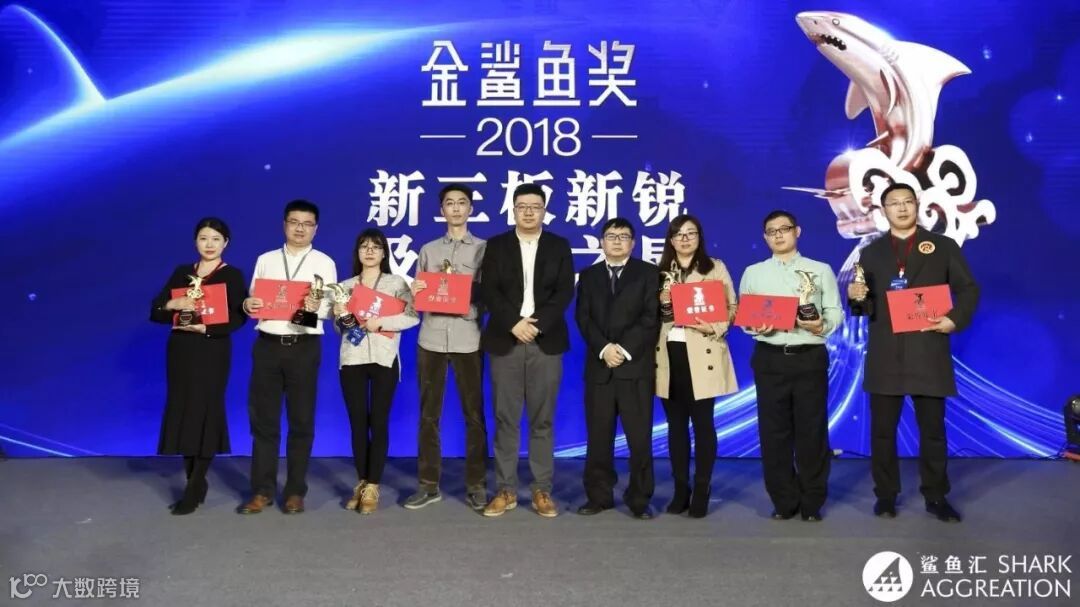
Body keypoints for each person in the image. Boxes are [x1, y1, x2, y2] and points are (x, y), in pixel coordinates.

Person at [848, 183, 979, 523]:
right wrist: (856, 297)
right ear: (884, 210)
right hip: (885, 354)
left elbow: (968, 290)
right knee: (882, 432)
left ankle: (936, 496)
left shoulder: (942, 246)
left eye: (908, 201)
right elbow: (864, 309)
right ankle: (885, 495)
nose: (902, 208)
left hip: (928, 349)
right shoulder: (871, 253)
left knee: (932, 431)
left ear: (917, 205)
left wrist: (954, 320)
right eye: (894, 203)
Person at [739, 210, 843, 522]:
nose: (778, 235)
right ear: (765, 238)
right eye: (771, 231)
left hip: (809, 357)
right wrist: (756, 327)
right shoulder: (754, 272)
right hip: (769, 358)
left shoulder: (820, 270)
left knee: (812, 432)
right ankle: (783, 500)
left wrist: (819, 325)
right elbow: (746, 317)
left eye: (784, 229)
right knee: (774, 433)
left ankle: (812, 501)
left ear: (797, 231)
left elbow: (835, 312)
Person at [479, 183, 574, 518]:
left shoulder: (559, 246)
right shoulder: (496, 245)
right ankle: (505, 489)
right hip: (506, 340)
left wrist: (536, 324)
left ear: (544, 210)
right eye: (522, 206)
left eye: (535, 206)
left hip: (545, 341)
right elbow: (489, 290)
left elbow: (564, 292)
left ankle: (541, 490)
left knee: (542, 419)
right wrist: (513, 323)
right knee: (505, 418)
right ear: (514, 210)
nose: (529, 212)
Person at [238, 199, 337, 515]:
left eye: (307, 224)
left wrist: (313, 309)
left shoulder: (324, 263)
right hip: (267, 346)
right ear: (284, 225)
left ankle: (295, 491)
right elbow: (254, 299)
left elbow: (331, 307)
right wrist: (248, 305)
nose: (300, 229)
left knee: (301, 421)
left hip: (304, 347)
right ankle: (262, 490)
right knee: (263, 421)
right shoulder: (266, 259)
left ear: (315, 229)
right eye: (294, 222)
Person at [150, 217, 247, 515]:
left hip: (212, 349)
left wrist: (207, 328)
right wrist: (173, 305)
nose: (209, 244)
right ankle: (194, 479)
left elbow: (239, 317)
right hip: (181, 349)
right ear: (195, 241)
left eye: (216, 239)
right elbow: (156, 310)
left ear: (225, 243)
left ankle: (194, 486)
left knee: (206, 411)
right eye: (204, 238)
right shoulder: (182, 272)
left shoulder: (231, 275)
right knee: (183, 410)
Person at [404, 184, 489, 513]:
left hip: (469, 337)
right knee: (428, 416)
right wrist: (417, 290)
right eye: (449, 203)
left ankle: (476, 484)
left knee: (474, 415)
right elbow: (418, 297)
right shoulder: (428, 250)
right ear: (441, 210)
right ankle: (428, 485)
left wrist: (467, 297)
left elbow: (489, 295)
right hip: (432, 338)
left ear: (470, 209)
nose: (455, 208)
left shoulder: (483, 249)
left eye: (461, 203)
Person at [574, 218, 660, 519]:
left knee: (639, 439)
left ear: (633, 243)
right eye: (611, 236)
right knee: (598, 438)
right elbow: (583, 318)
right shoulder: (589, 276)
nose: (617, 241)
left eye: (624, 236)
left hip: (634, 369)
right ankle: (598, 496)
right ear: (602, 242)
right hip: (600, 369)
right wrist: (604, 349)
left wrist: (622, 349)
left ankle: (639, 499)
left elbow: (651, 317)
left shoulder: (649, 273)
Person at [655, 215, 738, 518]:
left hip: (702, 352)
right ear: (671, 240)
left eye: (691, 233)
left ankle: (702, 487)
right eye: (679, 234)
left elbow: (731, 307)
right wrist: (660, 302)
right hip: (668, 354)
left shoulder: (714, 268)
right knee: (676, 426)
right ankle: (681, 488)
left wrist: (712, 327)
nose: (685, 238)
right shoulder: (660, 271)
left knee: (703, 424)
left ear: (699, 237)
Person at [336, 229, 419, 515]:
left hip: (384, 358)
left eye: (376, 246)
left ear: (384, 252)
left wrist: (381, 322)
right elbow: (339, 327)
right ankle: (361, 482)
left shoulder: (396, 283)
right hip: (352, 358)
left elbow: (412, 316)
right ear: (357, 252)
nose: (369, 251)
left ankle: (373, 485)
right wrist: (340, 314)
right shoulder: (345, 286)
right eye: (364, 246)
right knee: (357, 422)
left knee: (379, 421)